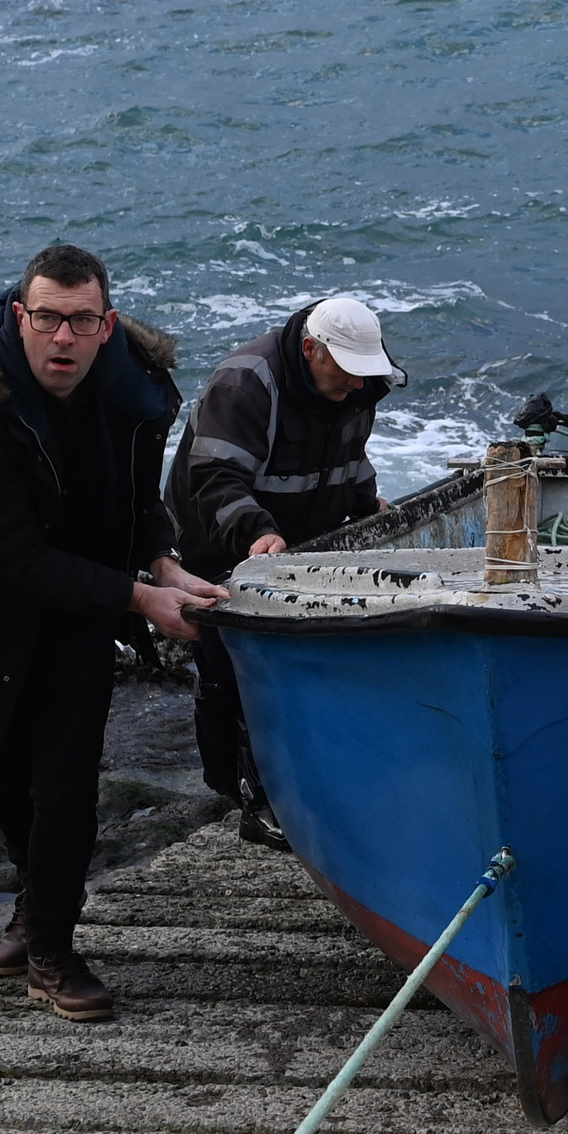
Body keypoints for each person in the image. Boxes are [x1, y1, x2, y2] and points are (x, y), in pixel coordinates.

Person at [0, 244, 224, 1022]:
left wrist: (163, 561)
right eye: (47, 319)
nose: (63, 338)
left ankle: (51, 953)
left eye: (81, 321)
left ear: (107, 325)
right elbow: (10, 558)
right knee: (6, 778)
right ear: (18, 315)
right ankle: (35, 901)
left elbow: (132, 498)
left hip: (74, 611)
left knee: (66, 790)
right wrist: (142, 598)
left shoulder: (127, 392)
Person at [165, 298, 404, 847]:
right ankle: (248, 799)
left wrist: (369, 510)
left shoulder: (356, 384)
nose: (356, 384)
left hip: (298, 543)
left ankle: (312, 783)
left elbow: (351, 458)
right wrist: (256, 533)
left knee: (307, 671)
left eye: (363, 373)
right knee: (235, 672)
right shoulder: (245, 385)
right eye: (345, 371)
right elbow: (215, 476)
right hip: (219, 539)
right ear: (310, 349)